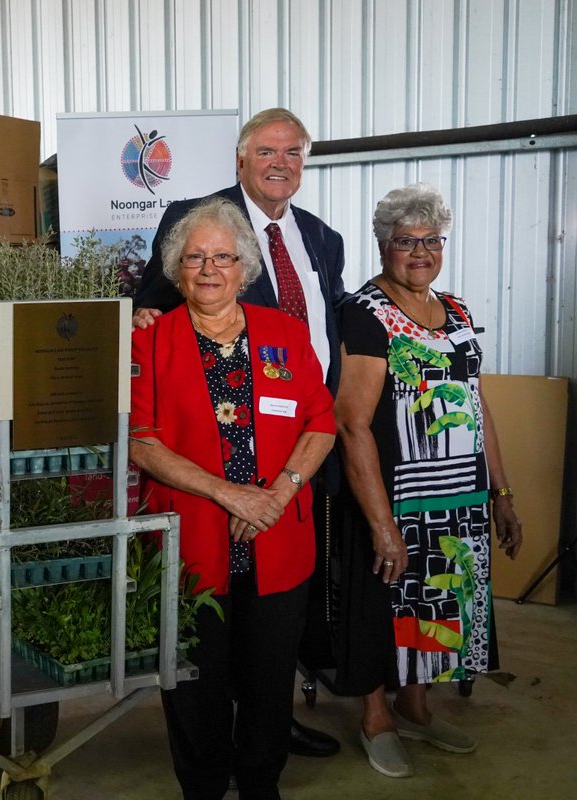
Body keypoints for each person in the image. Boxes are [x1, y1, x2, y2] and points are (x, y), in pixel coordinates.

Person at [134, 107, 346, 758]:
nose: (281, 162)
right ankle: (213, 758)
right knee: (205, 665)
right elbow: (150, 308)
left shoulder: (322, 238)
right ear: (240, 158)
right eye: (266, 151)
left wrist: (280, 488)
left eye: (293, 151)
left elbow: (322, 353)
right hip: (201, 498)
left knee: (273, 650)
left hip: (295, 463)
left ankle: (267, 738)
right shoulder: (194, 217)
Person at [333, 183, 524, 778]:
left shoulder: (459, 312)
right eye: (405, 242)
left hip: (459, 497)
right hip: (395, 495)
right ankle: (375, 717)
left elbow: (475, 403)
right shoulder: (364, 314)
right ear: (383, 245)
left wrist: (501, 491)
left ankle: (416, 706)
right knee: (379, 604)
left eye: (431, 240)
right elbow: (352, 424)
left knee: (445, 600)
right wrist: (382, 524)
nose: (420, 252)